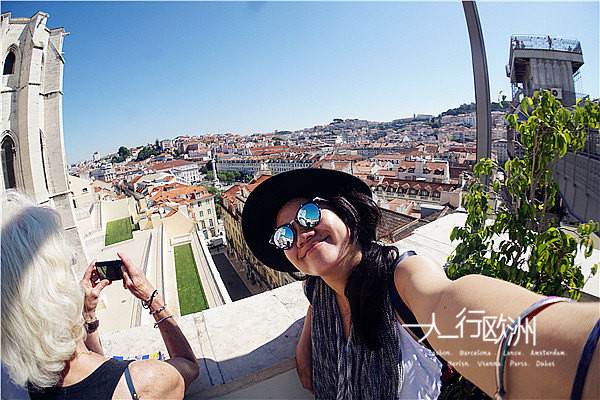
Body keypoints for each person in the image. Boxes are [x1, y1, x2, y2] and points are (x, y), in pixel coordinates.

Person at [241, 168, 600, 399]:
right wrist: (306, 342)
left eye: (308, 214)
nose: (301, 235)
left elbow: (451, 300)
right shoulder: (320, 288)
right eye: (285, 235)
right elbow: (315, 300)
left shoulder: (404, 280)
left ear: (345, 211)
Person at [1, 190, 199, 399]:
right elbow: (188, 367)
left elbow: (94, 371)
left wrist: (88, 316)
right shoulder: (141, 382)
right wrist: (152, 298)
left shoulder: (13, 386)